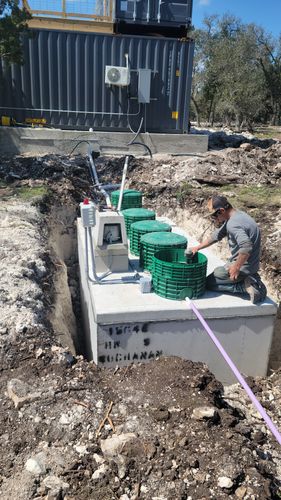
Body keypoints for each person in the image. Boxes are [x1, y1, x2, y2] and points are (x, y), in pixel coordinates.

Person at [191, 195, 267, 304]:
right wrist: (197, 247)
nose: (215, 219)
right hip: (250, 264)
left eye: (214, 216)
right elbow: (216, 235)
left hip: (244, 267)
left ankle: (246, 287)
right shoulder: (237, 215)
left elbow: (246, 246)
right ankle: (250, 277)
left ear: (221, 211)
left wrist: (236, 267)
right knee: (219, 273)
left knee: (209, 283)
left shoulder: (233, 224)